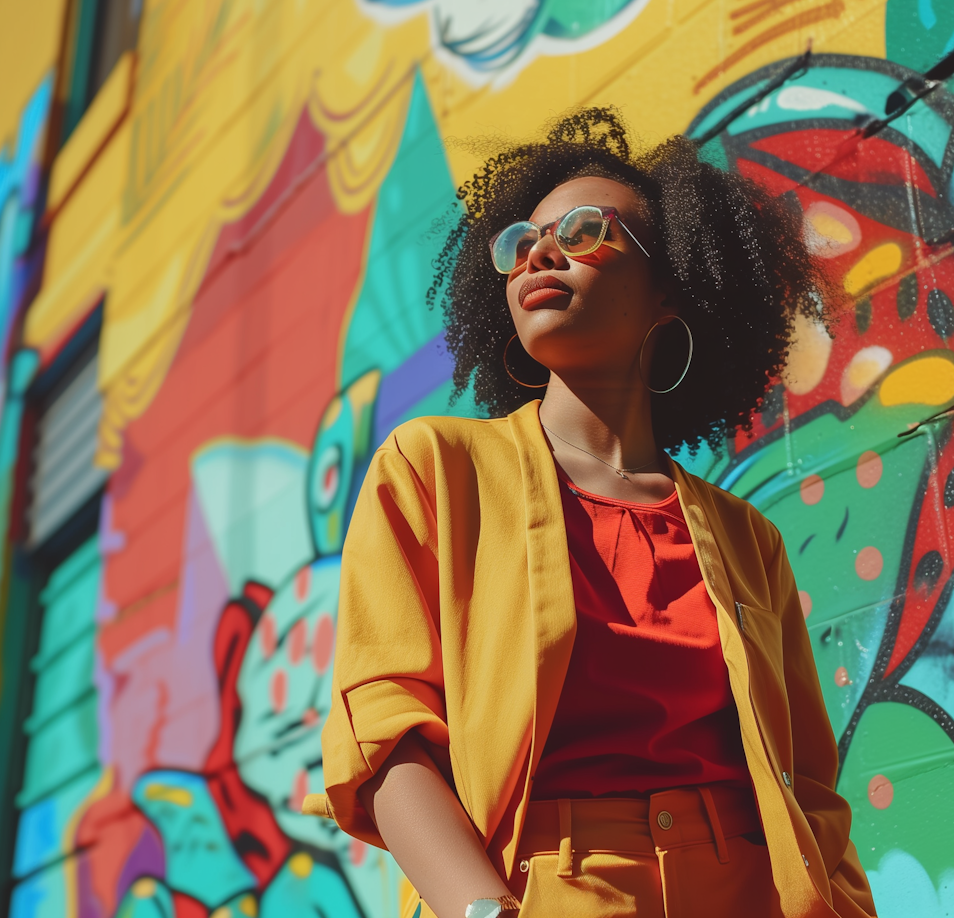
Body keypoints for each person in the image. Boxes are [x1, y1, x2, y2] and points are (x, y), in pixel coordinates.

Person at [303, 109, 876, 918]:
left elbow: (810, 791)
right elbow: (384, 733)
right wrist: (480, 909)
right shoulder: (433, 469)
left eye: (583, 231)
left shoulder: (750, 541)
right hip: (542, 894)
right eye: (520, 244)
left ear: (668, 290)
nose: (540, 252)